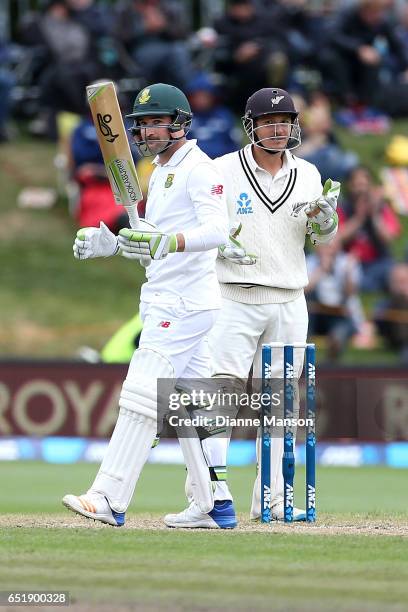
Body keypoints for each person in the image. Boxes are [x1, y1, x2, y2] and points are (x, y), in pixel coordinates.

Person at [163, 87, 340, 528]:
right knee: (219, 398)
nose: (279, 130)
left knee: (282, 405)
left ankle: (275, 502)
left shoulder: (310, 173)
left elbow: (320, 236)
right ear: (252, 125)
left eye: (286, 122)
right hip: (232, 297)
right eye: (269, 122)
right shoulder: (222, 171)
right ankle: (205, 501)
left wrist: (325, 221)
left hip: (289, 299)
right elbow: (206, 229)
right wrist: (226, 246)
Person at [62, 83, 232, 527]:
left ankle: (108, 497)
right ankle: (214, 504)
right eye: (140, 124)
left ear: (179, 123)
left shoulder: (200, 169)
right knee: (193, 406)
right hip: (167, 298)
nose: (145, 131)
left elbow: (218, 230)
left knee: (140, 395)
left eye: (155, 122)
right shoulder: (157, 172)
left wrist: (166, 240)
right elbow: (151, 243)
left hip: (184, 303)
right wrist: (113, 243)